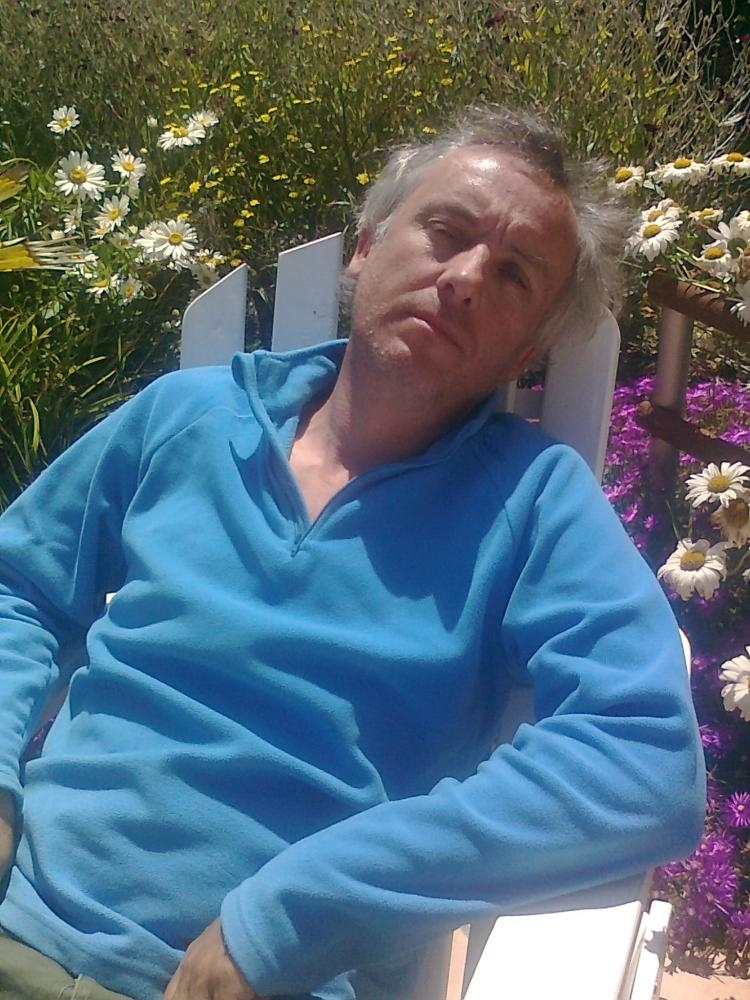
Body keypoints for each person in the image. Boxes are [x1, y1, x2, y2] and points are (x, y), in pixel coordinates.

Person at [0, 106, 704, 1000]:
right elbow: (19, 583)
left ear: (525, 351)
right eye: (445, 231)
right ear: (367, 246)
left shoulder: (533, 505)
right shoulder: (186, 417)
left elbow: (643, 760)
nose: (466, 280)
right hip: (21, 924)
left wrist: (293, 917)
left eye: (514, 273)